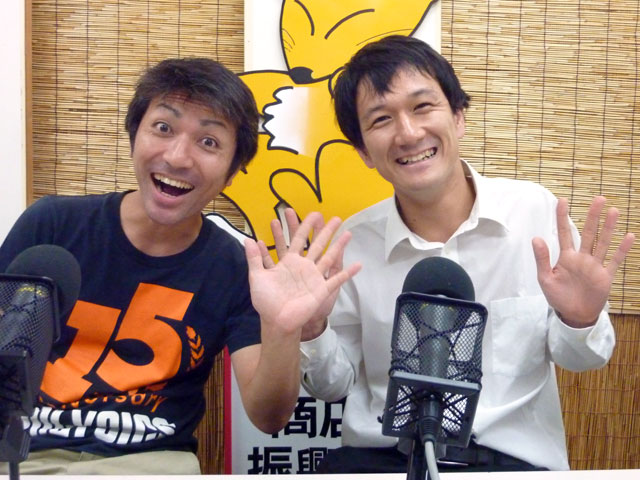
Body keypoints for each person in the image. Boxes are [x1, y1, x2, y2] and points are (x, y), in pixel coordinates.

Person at [285, 35, 636, 472]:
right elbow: (332, 385)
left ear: (458, 116)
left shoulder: (533, 214)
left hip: (511, 464)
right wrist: (312, 329)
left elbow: (583, 359)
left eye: (422, 107)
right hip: (382, 461)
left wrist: (579, 320)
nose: (408, 133)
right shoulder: (352, 244)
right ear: (363, 152)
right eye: (381, 119)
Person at [0, 57, 359, 474]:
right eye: (163, 127)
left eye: (208, 142)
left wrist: (283, 329)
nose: (177, 157)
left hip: (152, 464)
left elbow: (269, 416)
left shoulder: (234, 265)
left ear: (232, 172)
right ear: (134, 135)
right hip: (21, 456)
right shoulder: (52, 224)